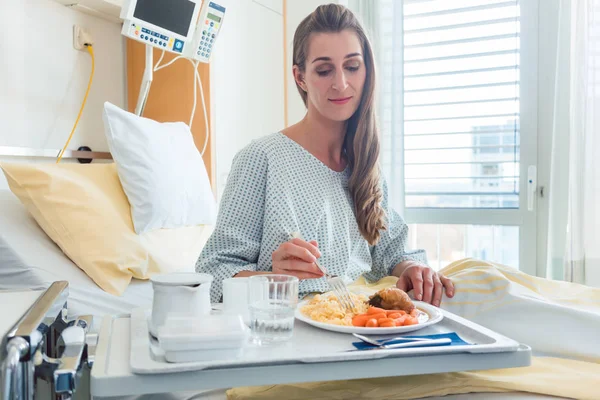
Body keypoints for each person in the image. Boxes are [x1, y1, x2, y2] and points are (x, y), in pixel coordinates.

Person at [196, 3, 454, 307]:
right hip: (296, 327)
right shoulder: (261, 159)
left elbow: (391, 251)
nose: (341, 83)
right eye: (324, 69)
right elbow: (211, 275)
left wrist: (413, 269)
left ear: (366, 70)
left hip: (364, 323)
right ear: (301, 78)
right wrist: (274, 278)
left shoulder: (365, 168)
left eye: (352, 66)